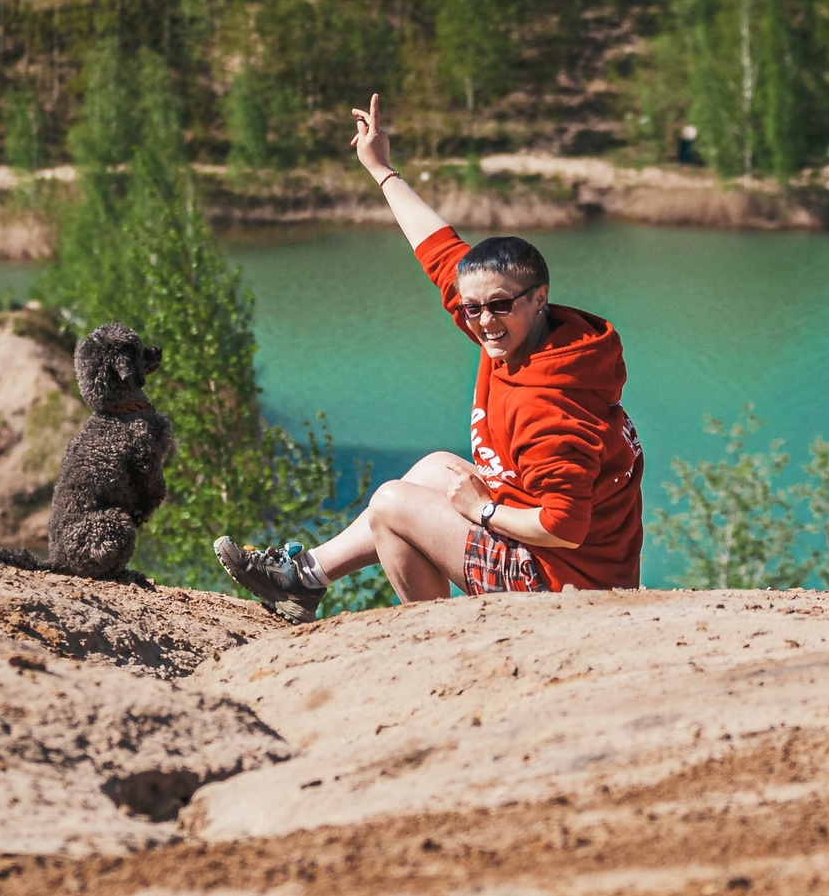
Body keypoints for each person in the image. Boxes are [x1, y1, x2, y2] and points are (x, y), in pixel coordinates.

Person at [216, 95, 644, 618]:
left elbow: (564, 529)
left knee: (393, 505)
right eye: (471, 309)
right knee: (431, 469)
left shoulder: (548, 405)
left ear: (538, 298)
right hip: (571, 564)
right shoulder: (534, 339)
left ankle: (437, 636)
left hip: (563, 588)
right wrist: (381, 169)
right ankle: (304, 578)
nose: (484, 321)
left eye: (500, 306)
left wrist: (482, 511)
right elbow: (439, 248)